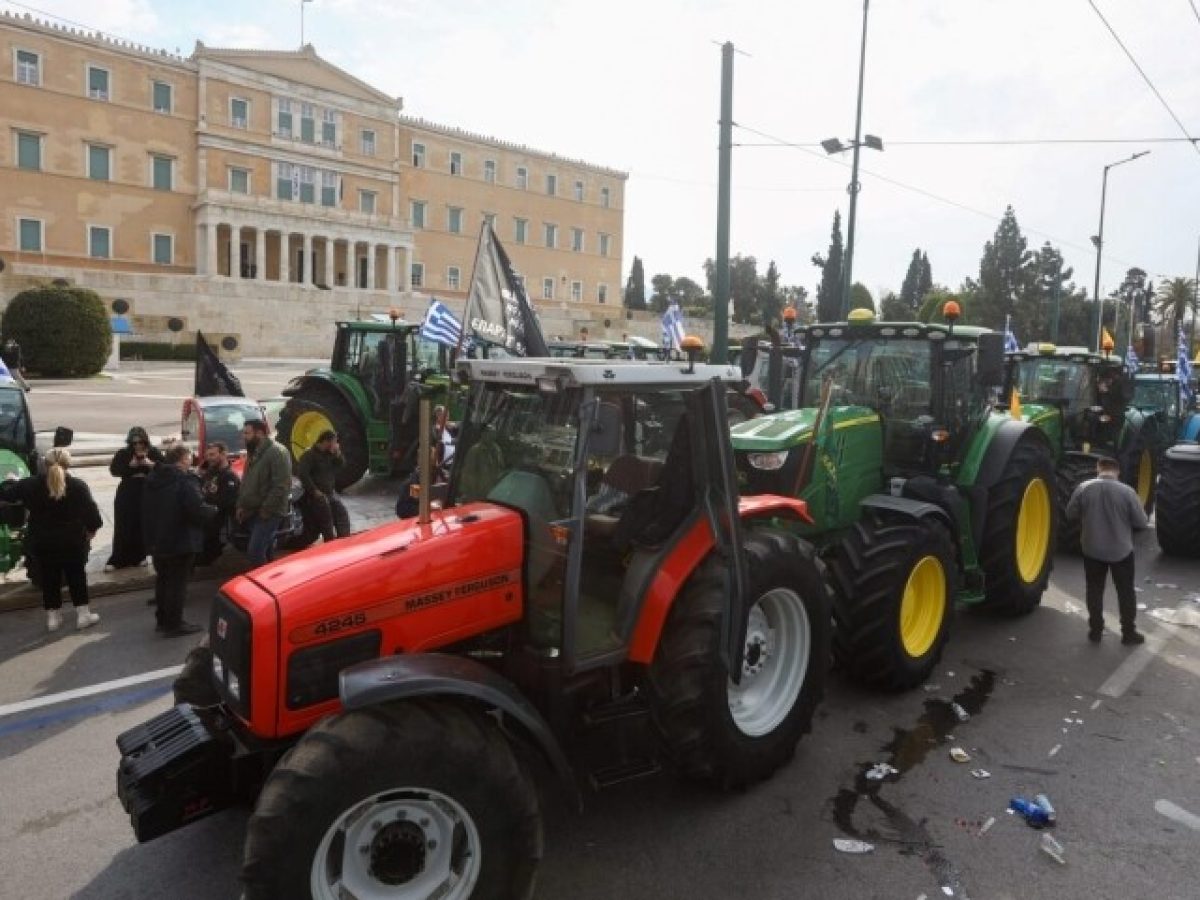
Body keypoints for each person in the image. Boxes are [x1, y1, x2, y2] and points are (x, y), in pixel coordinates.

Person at [0, 448, 102, 631]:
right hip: (72, 539)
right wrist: (92, 529)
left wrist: (10, 481)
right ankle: (83, 614)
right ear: (68, 465)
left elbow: (6, 494)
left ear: (44, 464)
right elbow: (91, 513)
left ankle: (53, 618)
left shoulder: (30, 485)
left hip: (42, 539)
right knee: (76, 576)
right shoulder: (78, 486)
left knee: (49, 577)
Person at [1065, 456, 1149, 645]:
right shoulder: (1127, 492)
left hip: (1092, 549)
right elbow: (1142, 522)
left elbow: (1070, 514)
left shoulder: (1084, 488)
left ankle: (1095, 630)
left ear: (1098, 469)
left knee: (1094, 590)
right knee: (1125, 592)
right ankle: (1128, 633)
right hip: (1121, 551)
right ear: (1117, 471)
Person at [143, 443, 215, 636]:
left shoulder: (153, 479)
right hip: (180, 539)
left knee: (164, 580)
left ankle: (163, 619)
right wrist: (213, 511)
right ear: (183, 459)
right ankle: (174, 624)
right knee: (177, 584)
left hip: (159, 539)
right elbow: (196, 509)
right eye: (189, 456)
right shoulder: (185, 481)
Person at [236, 419, 292, 567]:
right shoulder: (254, 452)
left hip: (268, 512)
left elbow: (281, 485)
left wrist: (266, 510)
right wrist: (241, 505)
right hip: (254, 511)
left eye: (247, 433)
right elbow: (247, 481)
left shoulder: (277, 452)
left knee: (255, 552)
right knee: (265, 551)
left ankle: (261, 587)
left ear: (260, 433)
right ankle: (273, 584)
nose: (244, 436)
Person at [105, 427, 163, 570]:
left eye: (140, 442)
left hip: (146, 491)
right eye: (134, 443)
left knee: (141, 523)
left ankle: (139, 555)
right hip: (127, 491)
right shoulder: (124, 453)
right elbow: (114, 470)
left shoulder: (153, 452)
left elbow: (165, 467)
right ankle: (118, 558)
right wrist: (130, 466)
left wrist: (150, 464)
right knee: (123, 523)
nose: (137, 446)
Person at [296, 430, 350, 544]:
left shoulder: (330, 454)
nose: (335, 444)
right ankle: (329, 544)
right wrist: (314, 490)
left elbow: (342, 465)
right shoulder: (309, 455)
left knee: (342, 515)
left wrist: (337, 453)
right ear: (326, 441)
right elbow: (303, 474)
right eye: (333, 442)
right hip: (317, 495)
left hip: (330, 492)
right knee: (327, 521)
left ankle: (344, 542)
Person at [197, 441, 240, 565]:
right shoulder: (209, 472)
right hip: (204, 516)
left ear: (223, 454)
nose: (209, 458)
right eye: (208, 455)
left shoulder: (229, 476)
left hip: (216, 522)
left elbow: (227, 502)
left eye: (213, 455)